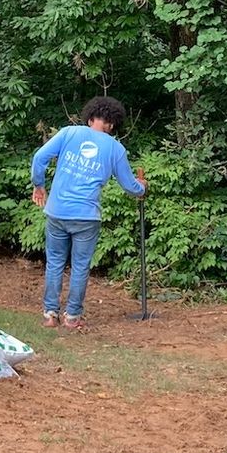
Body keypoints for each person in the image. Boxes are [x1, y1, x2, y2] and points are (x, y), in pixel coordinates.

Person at [31, 96, 146, 330]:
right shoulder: (116, 148)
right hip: (86, 216)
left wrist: (39, 184)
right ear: (112, 124)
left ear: (90, 117)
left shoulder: (68, 133)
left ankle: (50, 314)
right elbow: (130, 186)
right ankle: (72, 317)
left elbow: (39, 157)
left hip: (57, 211)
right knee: (80, 265)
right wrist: (143, 186)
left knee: (54, 263)